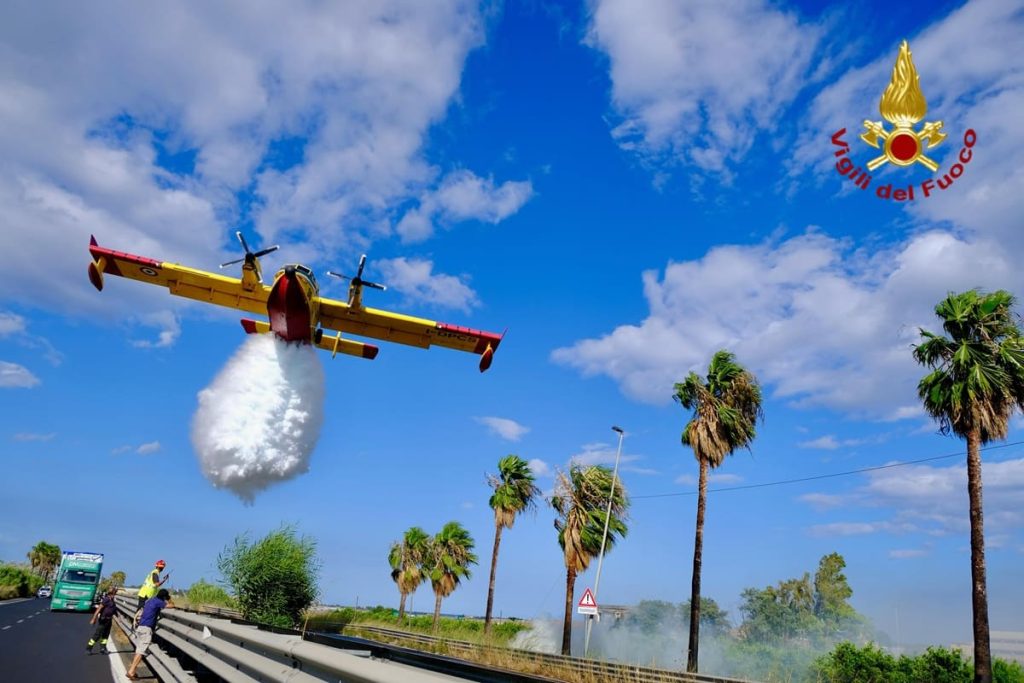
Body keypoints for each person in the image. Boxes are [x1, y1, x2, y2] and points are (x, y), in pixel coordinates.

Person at [126, 588, 174, 680]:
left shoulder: (151, 600)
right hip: (146, 629)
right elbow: (172, 605)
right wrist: (169, 599)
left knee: (139, 650)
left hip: (140, 627)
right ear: (164, 597)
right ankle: (131, 672)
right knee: (140, 652)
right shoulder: (159, 602)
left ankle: (132, 671)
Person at [86, 586, 119, 652]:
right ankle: (89, 648)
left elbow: (113, 609)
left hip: (109, 620)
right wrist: (94, 618)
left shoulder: (112, 600)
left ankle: (103, 648)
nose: (115, 594)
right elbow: (99, 609)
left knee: (106, 634)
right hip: (104, 620)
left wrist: (118, 616)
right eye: (114, 593)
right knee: (98, 634)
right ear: (111, 593)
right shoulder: (106, 599)